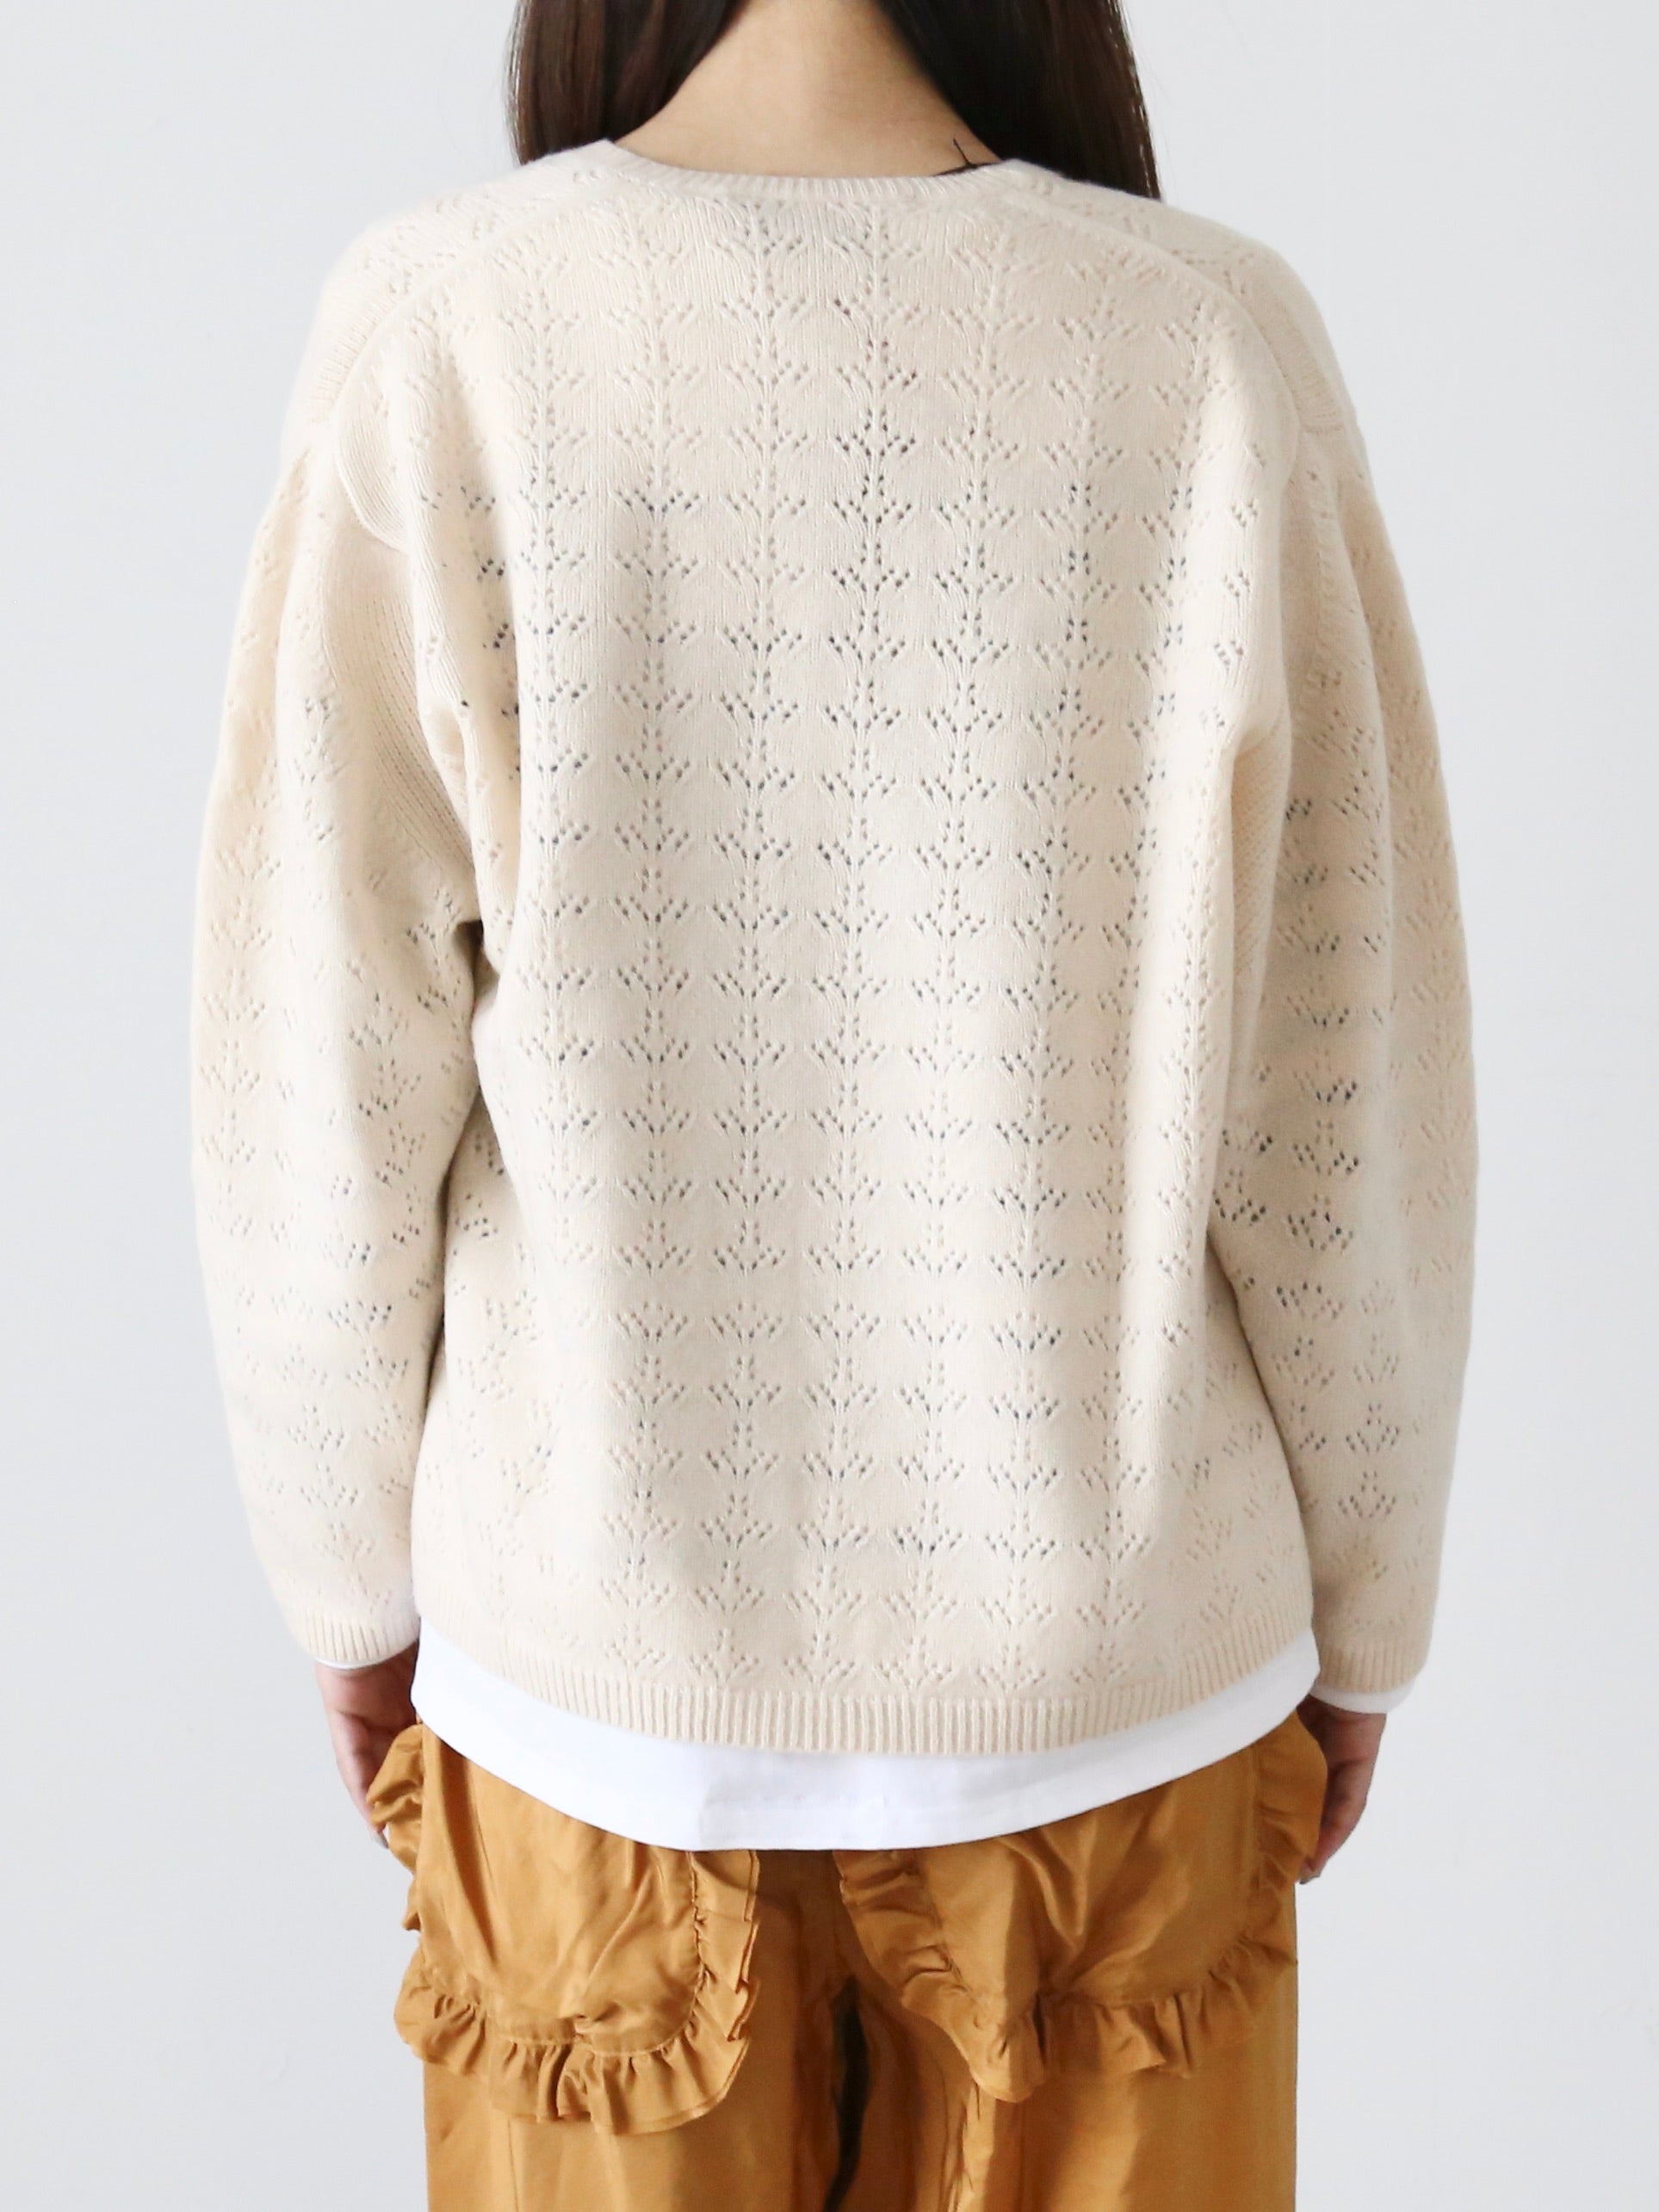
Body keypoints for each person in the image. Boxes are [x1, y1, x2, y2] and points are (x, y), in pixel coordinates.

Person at [189, 0, 1477, 2203]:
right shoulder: (1204, 345)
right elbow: (1339, 1081)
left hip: (594, 1714)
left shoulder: (448, 326)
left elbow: (312, 1057)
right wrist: (1370, 1605)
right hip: (1119, 1725)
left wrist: (348, 1585)